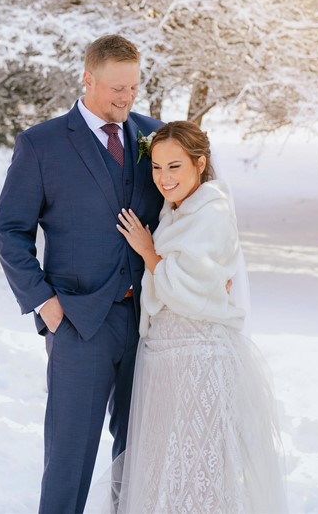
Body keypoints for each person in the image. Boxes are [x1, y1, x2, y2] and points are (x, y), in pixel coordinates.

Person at [0, 34, 165, 514]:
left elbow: (188, 209)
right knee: (70, 455)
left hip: (149, 320)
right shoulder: (42, 144)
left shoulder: (156, 136)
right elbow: (10, 229)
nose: (127, 98)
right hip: (78, 323)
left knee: (139, 452)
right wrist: (46, 305)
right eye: (116, 89)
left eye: (133, 87)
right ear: (88, 79)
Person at [113, 120, 287, 513]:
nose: (163, 177)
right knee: (166, 461)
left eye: (174, 166)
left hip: (198, 356)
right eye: (156, 167)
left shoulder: (210, 209)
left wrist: (148, 252)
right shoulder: (177, 210)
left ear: (199, 163)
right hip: (166, 355)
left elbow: (188, 288)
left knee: (198, 462)